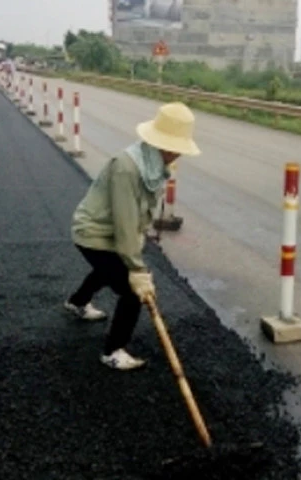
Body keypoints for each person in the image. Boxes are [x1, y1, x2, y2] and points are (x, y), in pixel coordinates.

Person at [64, 102, 201, 370]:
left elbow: (136, 219)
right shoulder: (128, 167)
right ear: (165, 144)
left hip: (110, 233)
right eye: (177, 149)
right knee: (130, 291)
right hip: (94, 232)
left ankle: (77, 302)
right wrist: (136, 269)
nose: (179, 155)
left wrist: (133, 252)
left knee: (107, 270)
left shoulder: (153, 164)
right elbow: (125, 222)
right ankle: (113, 351)